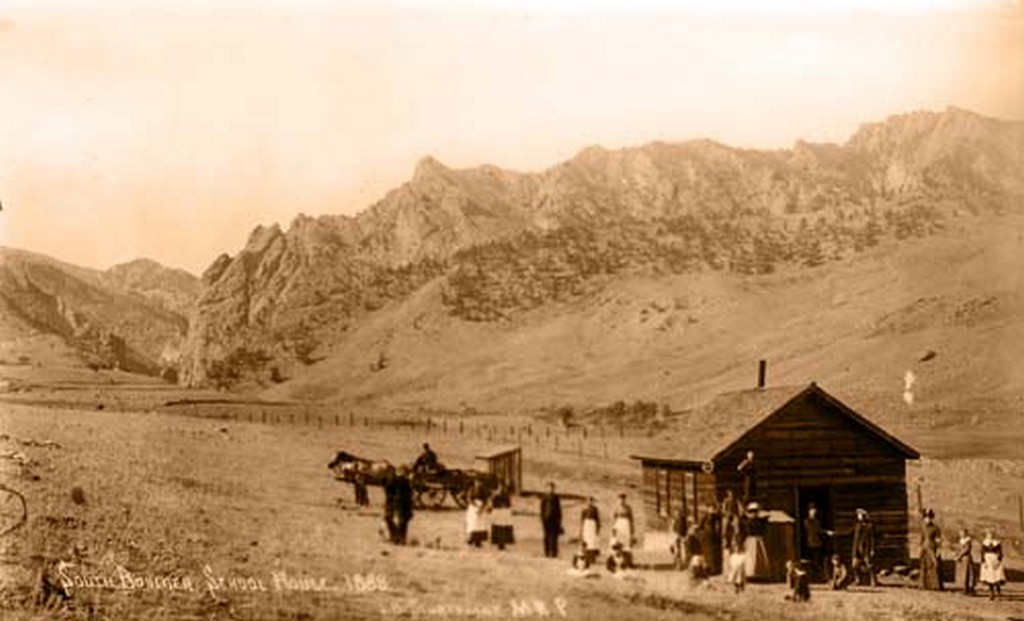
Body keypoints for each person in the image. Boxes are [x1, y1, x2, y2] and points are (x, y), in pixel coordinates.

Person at [742, 502, 770, 581]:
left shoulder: (760, 521)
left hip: (758, 539)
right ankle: (750, 573)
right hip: (751, 540)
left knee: (759, 557)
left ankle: (759, 574)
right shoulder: (748, 521)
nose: (753, 513)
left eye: (755, 511)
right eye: (752, 511)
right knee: (750, 557)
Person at [851, 508, 877, 587]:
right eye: (858, 515)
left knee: (869, 564)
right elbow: (853, 536)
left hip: (866, 548)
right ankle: (857, 579)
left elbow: (872, 538)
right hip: (857, 548)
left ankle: (873, 580)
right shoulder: (857, 526)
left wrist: (872, 549)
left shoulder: (870, 526)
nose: (859, 517)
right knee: (854, 565)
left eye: (860, 515)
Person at [919, 509, 943, 591]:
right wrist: (921, 547)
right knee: (924, 565)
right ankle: (924, 584)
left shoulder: (936, 528)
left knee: (933, 565)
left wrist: (938, 550)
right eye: (925, 518)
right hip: (924, 548)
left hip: (932, 548)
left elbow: (938, 540)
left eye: (929, 518)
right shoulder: (923, 528)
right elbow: (922, 539)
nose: (927, 519)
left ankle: (934, 585)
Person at [979, 529, 1006, 601]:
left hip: (995, 560)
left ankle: (999, 594)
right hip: (988, 561)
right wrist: (984, 562)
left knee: (996, 578)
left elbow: (1000, 553)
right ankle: (991, 594)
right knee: (989, 578)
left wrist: (998, 561)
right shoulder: (984, 543)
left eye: (991, 535)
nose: (990, 536)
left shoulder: (997, 543)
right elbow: (982, 553)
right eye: (988, 535)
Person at [540, 482, 563, 558]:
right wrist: (542, 518)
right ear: (546, 488)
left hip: (554, 520)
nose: (550, 490)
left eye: (552, 488)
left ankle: (553, 552)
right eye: (549, 488)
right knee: (546, 536)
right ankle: (546, 552)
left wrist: (559, 520)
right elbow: (542, 509)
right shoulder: (544, 498)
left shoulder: (556, 498)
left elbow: (559, 509)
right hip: (546, 520)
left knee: (554, 537)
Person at [803, 504, 825, 582]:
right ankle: (812, 578)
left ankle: (818, 577)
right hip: (810, 543)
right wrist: (822, 531)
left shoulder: (817, 521)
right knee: (811, 562)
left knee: (817, 561)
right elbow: (814, 530)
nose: (814, 512)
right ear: (809, 512)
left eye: (815, 511)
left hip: (818, 543)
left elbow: (819, 530)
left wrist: (824, 532)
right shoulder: (807, 521)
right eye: (812, 511)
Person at [490, 485, 514, 551]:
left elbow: (508, 504)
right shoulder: (496, 496)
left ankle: (502, 543)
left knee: (502, 528)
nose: (501, 489)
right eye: (500, 488)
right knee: (499, 528)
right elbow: (493, 504)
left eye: (502, 488)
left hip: (503, 513)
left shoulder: (505, 496)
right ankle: (499, 543)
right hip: (499, 512)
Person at [954, 528, 977, 595]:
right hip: (961, 559)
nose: (961, 534)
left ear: (965, 533)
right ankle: (964, 588)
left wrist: (960, 555)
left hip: (966, 558)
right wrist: (956, 555)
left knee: (968, 573)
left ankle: (969, 588)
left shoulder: (968, 541)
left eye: (962, 533)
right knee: (962, 574)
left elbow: (966, 550)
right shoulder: (960, 541)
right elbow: (958, 549)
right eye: (960, 533)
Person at [579, 496, 601, 564]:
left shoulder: (595, 509)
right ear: (586, 502)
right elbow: (582, 520)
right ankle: (586, 557)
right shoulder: (584, 509)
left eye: (591, 501)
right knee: (586, 541)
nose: (590, 502)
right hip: (587, 525)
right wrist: (581, 528)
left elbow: (597, 519)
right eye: (588, 501)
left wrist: (598, 527)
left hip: (592, 525)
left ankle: (592, 558)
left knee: (592, 542)